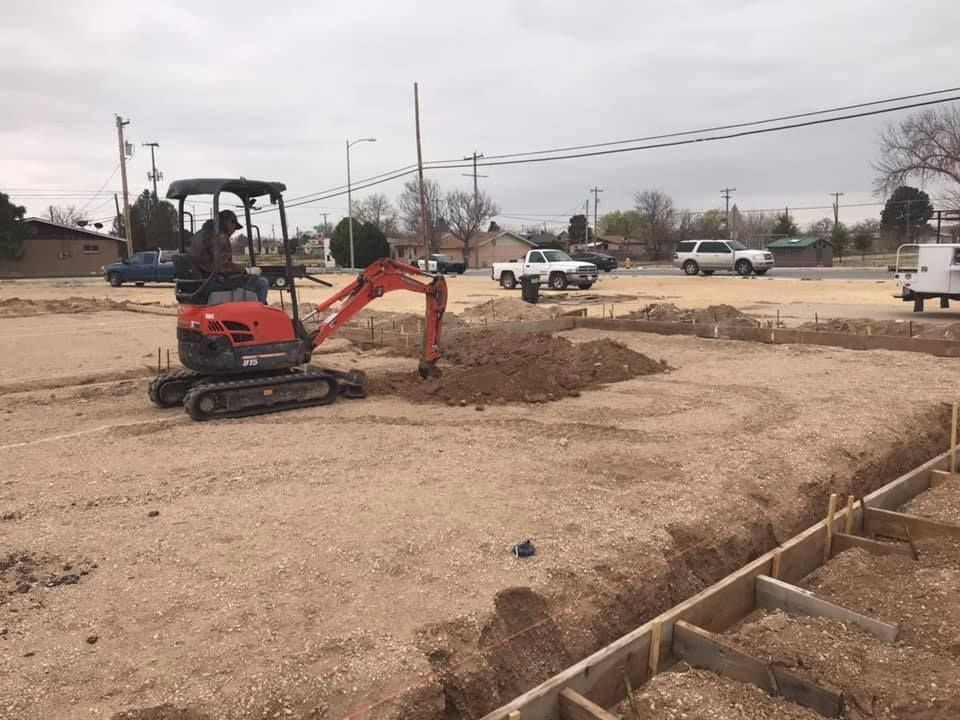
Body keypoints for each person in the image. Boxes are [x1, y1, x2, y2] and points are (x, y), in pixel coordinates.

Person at [190, 209, 269, 304]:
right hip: (215, 282)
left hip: (201, 281)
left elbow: (213, 262)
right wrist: (246, 270)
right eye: (234, 228)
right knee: (262, 283)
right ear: (229, 222)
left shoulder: (197, 236)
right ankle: (257, 315)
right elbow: (223, 266)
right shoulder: (220, 237)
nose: (233, 232)